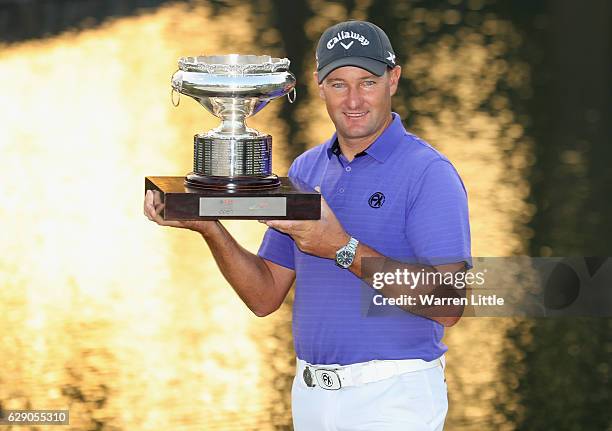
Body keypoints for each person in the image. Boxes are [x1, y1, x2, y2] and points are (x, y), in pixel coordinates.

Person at [145, 20, 471, 431]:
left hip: (393, 394)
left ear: (393, 79)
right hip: (311, 396)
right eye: (338, 83)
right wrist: (210, 227)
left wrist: (341, 247)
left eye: (367, 82)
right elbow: (264, 295)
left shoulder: (429, 172)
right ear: (318, 85)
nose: (353, 100)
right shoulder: (307, 168)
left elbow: (449, 305)